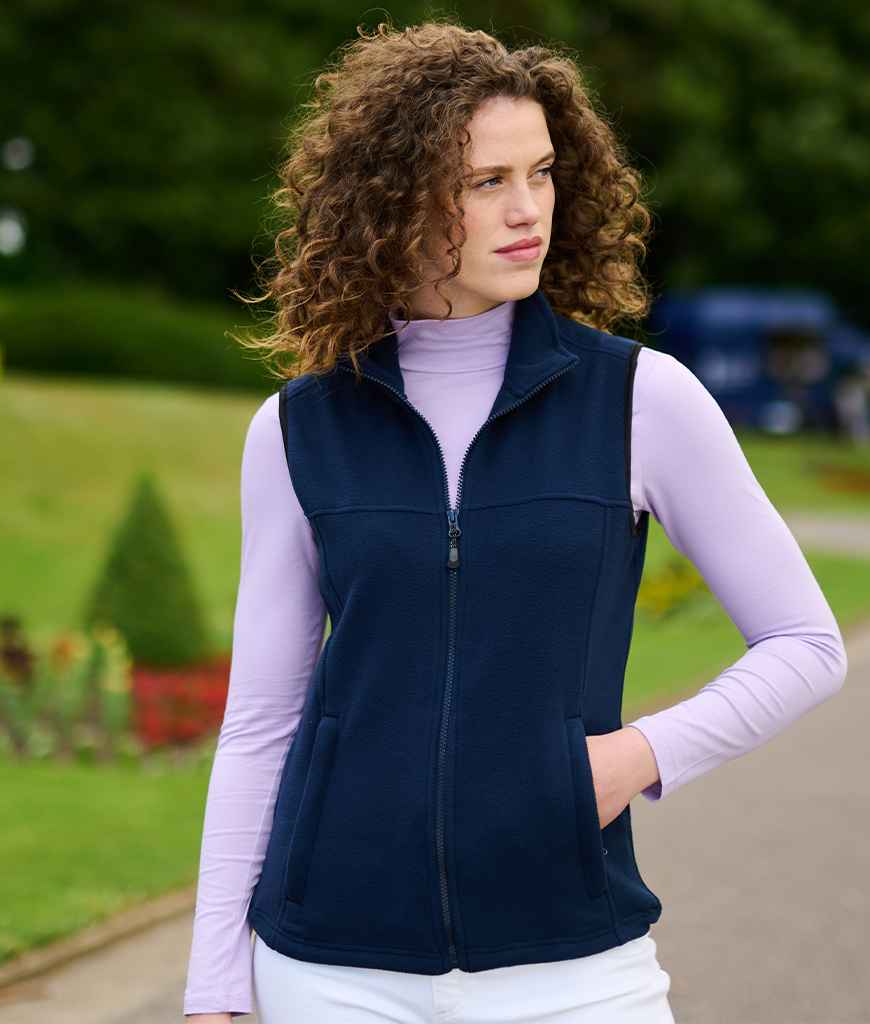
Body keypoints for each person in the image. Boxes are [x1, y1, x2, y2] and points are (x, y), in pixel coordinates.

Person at [183, 19, 848, 1023]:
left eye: (539, 173)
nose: (526, 208)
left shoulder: (640, 400)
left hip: (573, 967)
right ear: (393, 200)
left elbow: (805, 643)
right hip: (331, 969)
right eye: (485, 181)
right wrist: (213, 987)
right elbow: (262, 722)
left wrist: (634, 756)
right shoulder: (299, 429)